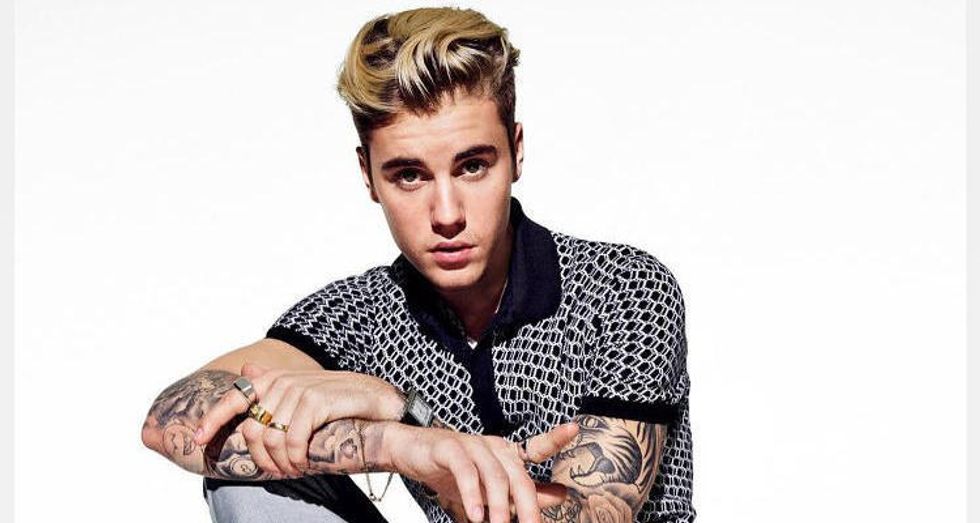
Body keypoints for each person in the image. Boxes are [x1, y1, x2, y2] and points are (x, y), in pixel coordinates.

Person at [141, 6, 694, 523]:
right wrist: (395, 438)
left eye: (473, 166)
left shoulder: (623, 288)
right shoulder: (361, 315)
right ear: (368, 176)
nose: (447, 214)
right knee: (249, 479)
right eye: (409, 176)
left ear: (516, 151)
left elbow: (596, 514)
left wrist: (413, 420)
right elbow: (169, 422)